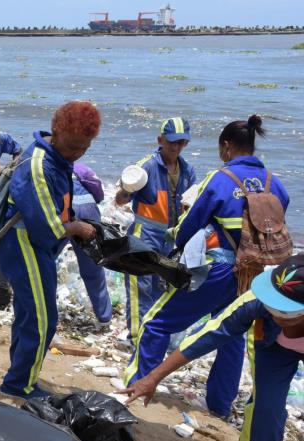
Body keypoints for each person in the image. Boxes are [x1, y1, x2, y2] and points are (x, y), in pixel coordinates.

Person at [123, 115, 290, 418]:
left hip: (220, 269)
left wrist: (175, 243)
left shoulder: (221, 178)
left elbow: (189, 225)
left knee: (155, 323)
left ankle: (135, 389)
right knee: (231, 333)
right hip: (255, 276)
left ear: (226, 146)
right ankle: (219, 405)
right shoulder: (273, 182)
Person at [120, 254, 304, 441]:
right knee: (265, 409)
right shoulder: (257, 303)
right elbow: (209, 334)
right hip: (274, 350)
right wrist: (152, 378)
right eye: (270, 305)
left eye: (282, 311)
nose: (272, 313)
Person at [0, 101, 100, 399]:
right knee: (43, 318)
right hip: (23, 243)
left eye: (83, 149)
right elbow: (46, 228)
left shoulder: (56, 157)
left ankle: (18, 376)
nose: (76, 154)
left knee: (30, 314)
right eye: (71, 147)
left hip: (32, 244)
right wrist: (78, 228)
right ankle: (19, 385)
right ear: (56, 132)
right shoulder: (38, 164)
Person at [115, 118, 196, 342]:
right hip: (145, 231)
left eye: (181, 143)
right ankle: (136, 336)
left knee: (164, 285)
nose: (176, 148)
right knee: (139, 283)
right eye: (172, 143)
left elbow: (191, 204)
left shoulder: (188, 171)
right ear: (160, 140)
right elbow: (121, 200)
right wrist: (125, 190)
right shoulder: (146, 166)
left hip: (171, 235)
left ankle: (155, 334)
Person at [59, 162, 113, 330]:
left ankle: (44, 310)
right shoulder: (82, 168)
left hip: (65, 210)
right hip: (89, 209)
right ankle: (104, 318)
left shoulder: (50, 165)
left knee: (46, 262)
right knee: (93, 268)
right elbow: (99, 194)